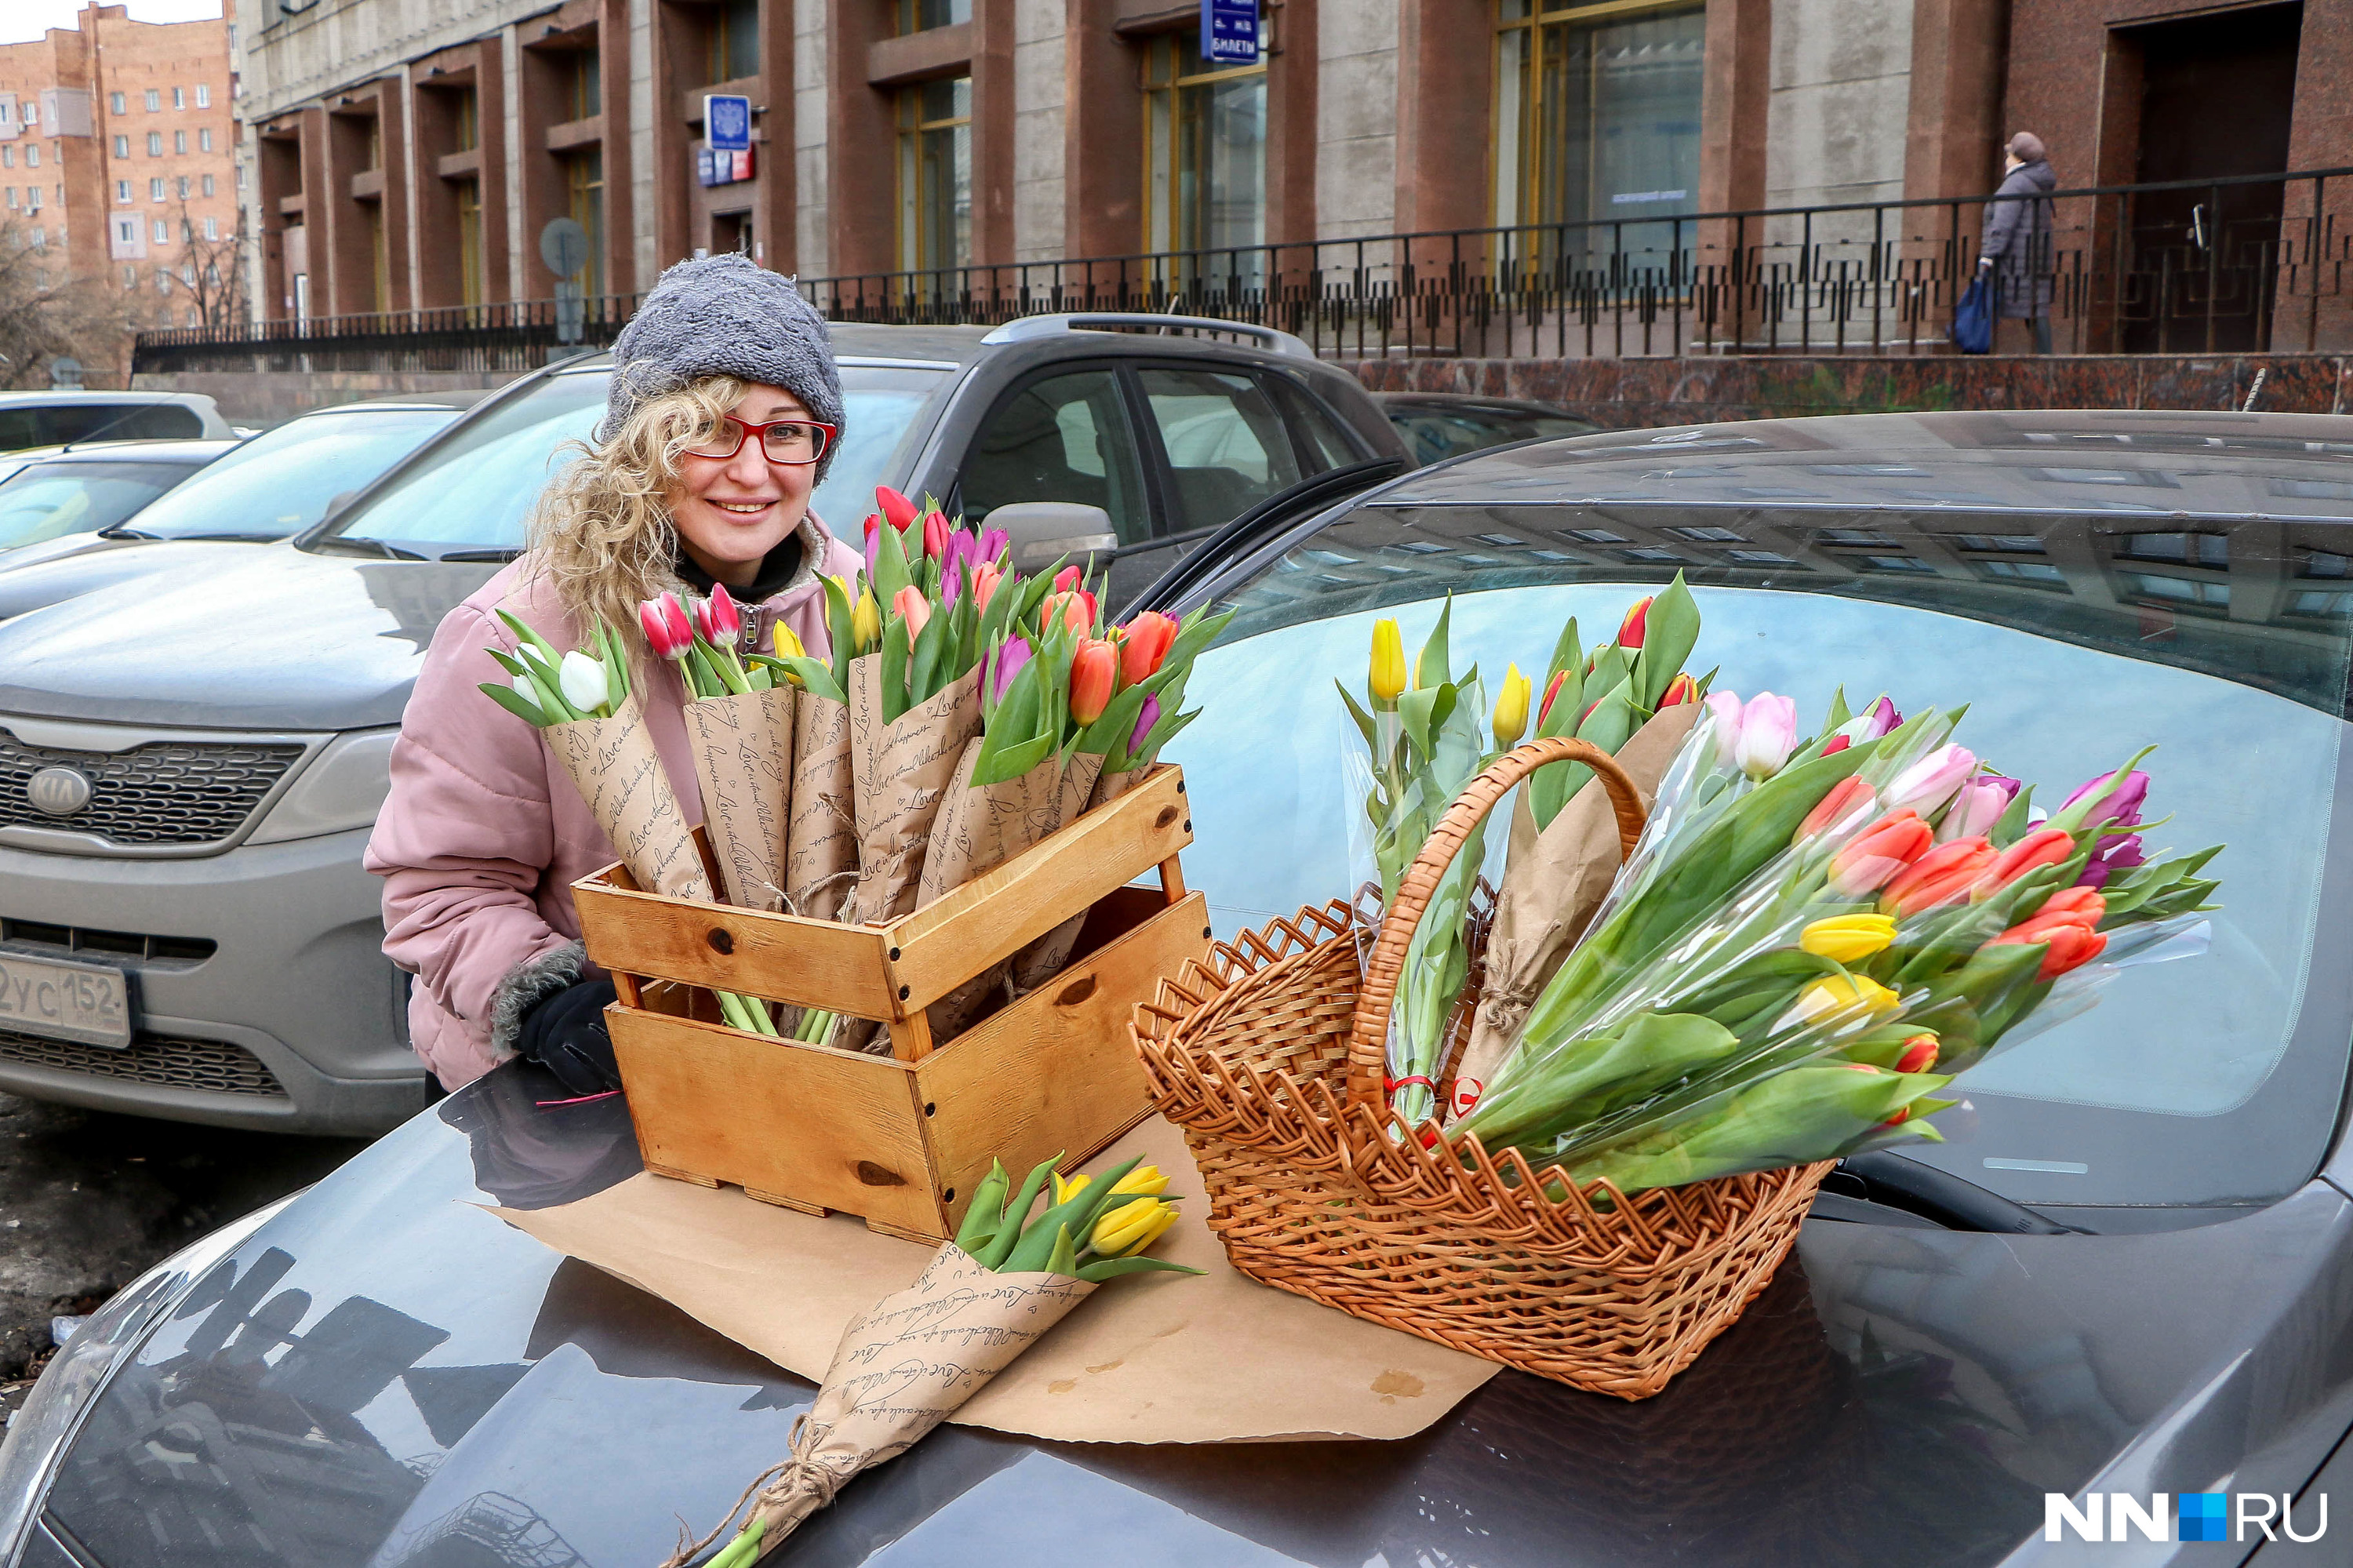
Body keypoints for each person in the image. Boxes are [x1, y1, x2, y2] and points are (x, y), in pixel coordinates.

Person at [365, 254, 865, 1097]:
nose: (752, 470)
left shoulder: (863, 605)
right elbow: (443, 886)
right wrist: (547, 996)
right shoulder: (520, 631)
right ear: (643, 444)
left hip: (801, 1075)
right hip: (574, 1086)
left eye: (786, 430)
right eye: (710, 429)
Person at [1980, 132, 2058, 354]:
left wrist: (1989, 255)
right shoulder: (2037, 182)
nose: (2006, 159)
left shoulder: (2016, 183)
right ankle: (2047, 359)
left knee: (1985, 304)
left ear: (2019, 159)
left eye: (2010, 155)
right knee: (2035, 308)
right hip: (2034, 258)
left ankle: (1976, 354)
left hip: (2012, 261)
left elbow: (2002, 224)